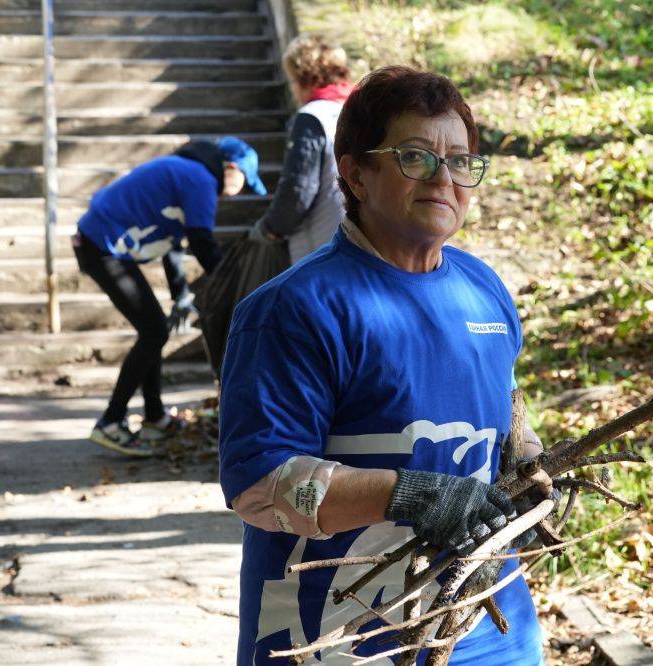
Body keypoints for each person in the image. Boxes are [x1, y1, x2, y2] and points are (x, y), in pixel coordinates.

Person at [219, 67, 546, 664]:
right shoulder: (294, 309)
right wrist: (407, 493)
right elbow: (258, 484)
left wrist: (532, 465)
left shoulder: (484, 290)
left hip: (488, 628)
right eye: (416, 157)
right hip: (333, 639)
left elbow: (505, 409)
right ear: (355, 173)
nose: (444, 178)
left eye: (461, 160)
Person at [74, 137, 266, 457]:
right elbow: (201, 241)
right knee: (153, 331)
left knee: (153, 331)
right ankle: (110, 420)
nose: (241, 192)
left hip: (103, 243)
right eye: (245, 182)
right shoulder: (202, 180)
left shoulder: (189, 172)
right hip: (102, 246)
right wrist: (230, 288)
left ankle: (154, 417)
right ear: (231, 169)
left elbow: (173, 246)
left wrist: (180, 295)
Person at [248, 34, 354, 264]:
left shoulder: (312, 117)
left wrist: (270, 227)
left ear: (306, 78)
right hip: (361, 236)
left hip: (324, 245)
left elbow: (299, 188)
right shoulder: (356, 110)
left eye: (293, 82)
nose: (293, 90)